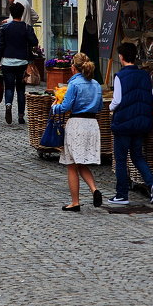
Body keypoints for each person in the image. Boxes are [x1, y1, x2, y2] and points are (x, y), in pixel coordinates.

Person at [108, 42, 153, 206]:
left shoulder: (120, 76)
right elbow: (151, 98)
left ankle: (122, 194)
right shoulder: (144, 75)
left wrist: (110, 109)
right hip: (141, 123)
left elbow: (116, 100)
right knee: (137, 156)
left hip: (123, 123)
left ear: (121, 57)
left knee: (121, 159)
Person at [51, 52, 104, 211]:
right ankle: (94, 189)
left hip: (77, 124)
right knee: (80, 162)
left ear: (73, 68)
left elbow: (66, 107)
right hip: (92, 124)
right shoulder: (96, 84)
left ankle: (75, 202)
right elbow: (100, 107)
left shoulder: (74, 84)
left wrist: (54, 107)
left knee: (72, 165)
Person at [0, 2, 37, 125]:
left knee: (9, 87)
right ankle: (20, 116)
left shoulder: (5, 28)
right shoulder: (26, 28)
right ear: (22, 13)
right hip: (22, 62)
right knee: (20, 89)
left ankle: (8, 105)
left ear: (11, 13)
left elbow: (0, 46)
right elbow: (34, 41)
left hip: (7, 61)